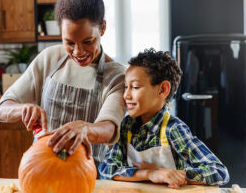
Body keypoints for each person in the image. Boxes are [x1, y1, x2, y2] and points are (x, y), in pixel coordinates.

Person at [0, 0, 126, 168]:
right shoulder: (50, 58)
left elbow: (110, 128)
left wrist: (86, 128)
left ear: (102, 28)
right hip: (41, 166)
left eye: (88, 42)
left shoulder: (117, 75)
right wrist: (23, 109)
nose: (78, 52)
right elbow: (1, 108)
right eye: (69, 42)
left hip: (89, 171)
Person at [98, 48, 229, 188]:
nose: (126, 95)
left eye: (135, 87)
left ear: (163, 90)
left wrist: (172, 174)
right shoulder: (126, 126)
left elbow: (219, 172)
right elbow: (107, 169)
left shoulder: (173, 129)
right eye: (125, 87)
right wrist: (152, 174)